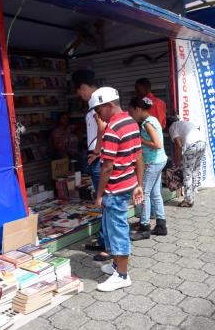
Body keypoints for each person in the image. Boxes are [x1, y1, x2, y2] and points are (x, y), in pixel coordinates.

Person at [90, 87, 144, 292]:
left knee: (117, 229)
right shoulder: (131, 122)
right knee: (112, 226)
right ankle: (115, 265)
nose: (97, 114)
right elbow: (138, 156)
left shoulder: (112, 129)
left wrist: (99, 194)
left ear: (108, 105)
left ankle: (122, 275)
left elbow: (107, 167)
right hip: (128, 183)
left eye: (98, 110)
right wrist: (139, 184)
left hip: (114, 188)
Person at [72, 70, 110, 261]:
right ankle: (104, 240)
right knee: (104, 202)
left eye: (80, 92)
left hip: (99, 158)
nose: (80, 96)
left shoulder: (96, 101)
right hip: (101, 156)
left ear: (84, 87)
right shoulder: (101, 98)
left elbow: (103, 128)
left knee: (104, 202)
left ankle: (108, 244)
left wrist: (96, 152)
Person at [128, 97, 168, 240]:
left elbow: (157, 144)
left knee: (144, 193)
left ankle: (145, 227)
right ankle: (161, 226)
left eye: (132, 112)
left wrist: (140, 140)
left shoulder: (147, 124)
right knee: (155, 193)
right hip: (159, 161)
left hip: (153, 162)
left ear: (138, 109)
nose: (131, 115)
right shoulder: (154, 120)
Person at [168, 117, 206, 207]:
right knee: (195, 172)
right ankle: (192, 196)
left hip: (192, 146)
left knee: (188, 174)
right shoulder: (183, 123)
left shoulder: (172, 127)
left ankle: (188, 201)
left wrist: (177, 161)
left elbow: (178, 145)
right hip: (202, 144)